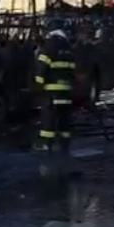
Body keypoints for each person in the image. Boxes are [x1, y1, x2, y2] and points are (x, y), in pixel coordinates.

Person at [33, 19, 76, 154]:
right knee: (64, 120)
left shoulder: (49, 46)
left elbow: (42, 67)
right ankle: (65, 144)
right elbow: (72, 69)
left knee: (48, 119)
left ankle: (46, 145)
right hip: (66, 92)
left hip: (50, 92)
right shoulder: (68, 47)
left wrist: (38, 85)